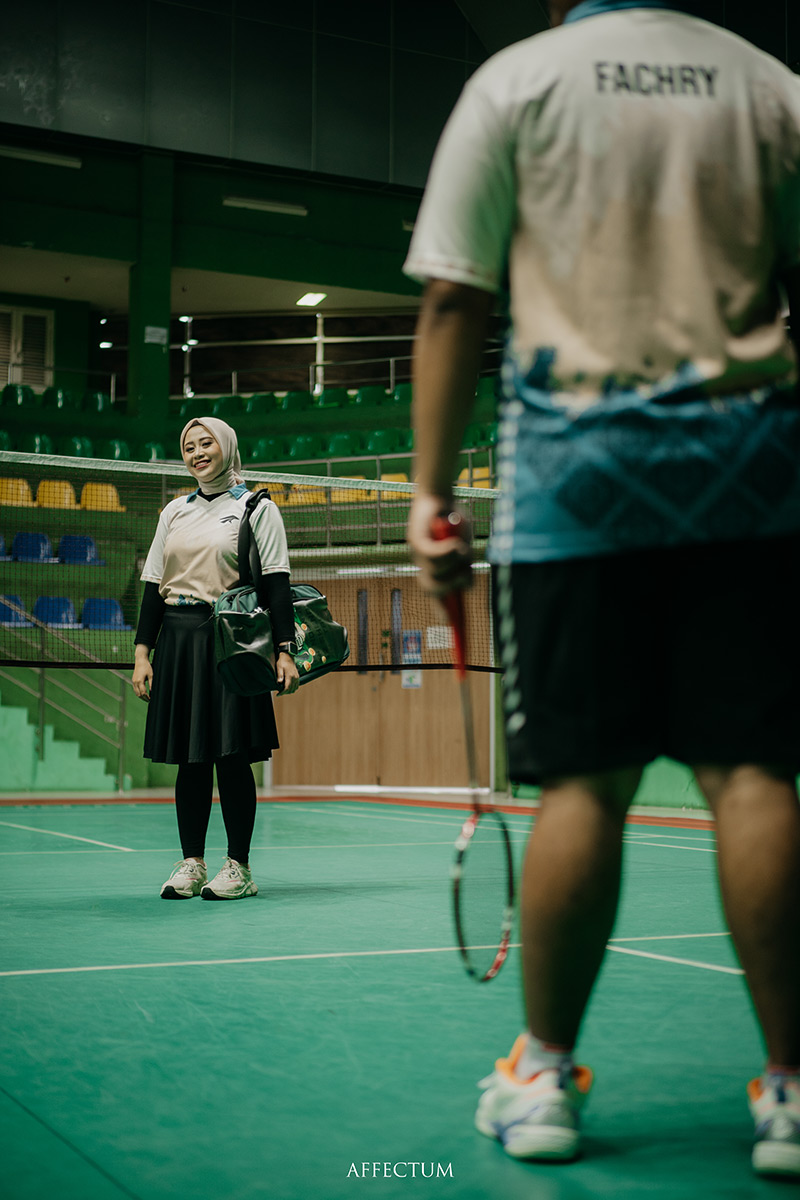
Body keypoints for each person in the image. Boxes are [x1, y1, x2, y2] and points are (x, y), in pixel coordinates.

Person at [405, 0, 800, 1179]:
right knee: (751, 774)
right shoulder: (770, 87)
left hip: (576, 489)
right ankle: (790, 1090)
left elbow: (453, 299)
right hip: (747, 478)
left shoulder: (515, 81)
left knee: (584, 784)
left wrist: (429, 496)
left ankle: (541, 1078)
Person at [132, 416, 299, 901]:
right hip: (178, 641)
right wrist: (142, 652)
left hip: (231, 639)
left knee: (231, 757)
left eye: (206, 443)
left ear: (227, 446)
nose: (197, 452)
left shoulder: (256, 507)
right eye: (189, 446)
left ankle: (239, 867)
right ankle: (192, 863)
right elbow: (153, 587)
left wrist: (284, 650)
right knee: (190, 759)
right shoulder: (173, 512)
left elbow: (277, 583)